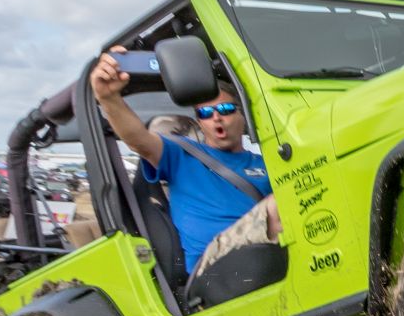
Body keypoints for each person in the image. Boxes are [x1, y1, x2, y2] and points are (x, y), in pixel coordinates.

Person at [89, 46, 280, 275]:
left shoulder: (266, 162)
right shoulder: (180, 154)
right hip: (215, 265)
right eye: (206, 113)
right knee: (279, 206)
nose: (216, 117)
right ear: (200, 123)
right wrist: (109, 98)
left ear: (243, 115)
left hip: (269, 251)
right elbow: (137, 139)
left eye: (226, 108)